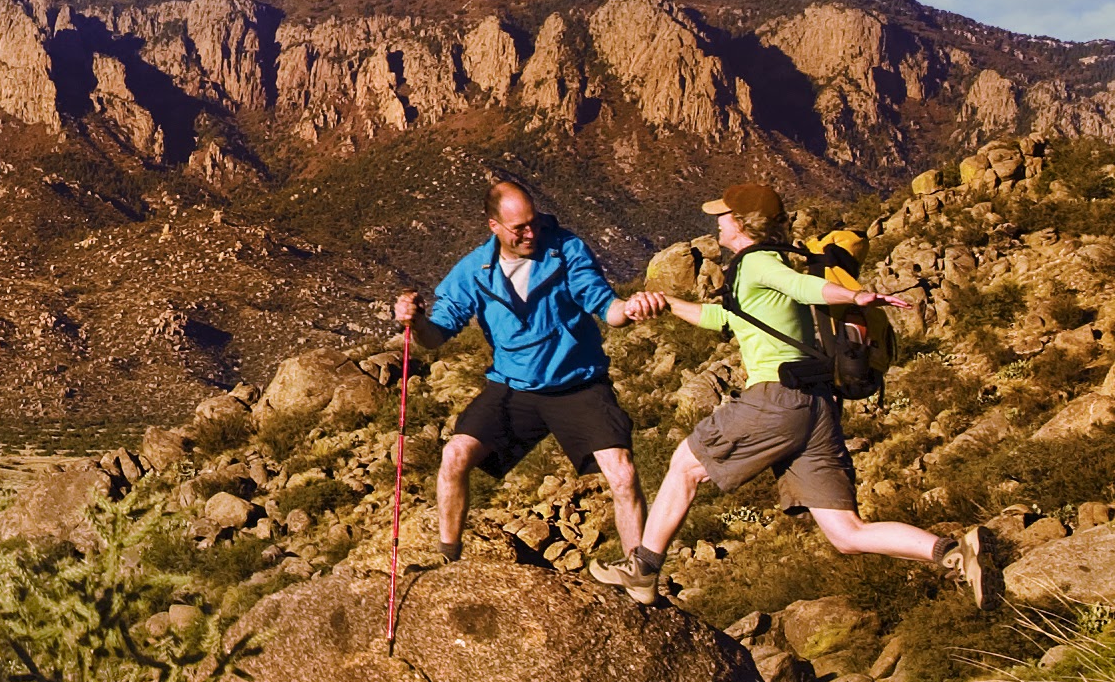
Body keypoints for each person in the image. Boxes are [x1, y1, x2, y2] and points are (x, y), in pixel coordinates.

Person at [618, 180, 1001, 604]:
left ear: (742, 223)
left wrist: (857, 295)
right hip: (816, 408)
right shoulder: (757, 268)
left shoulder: (758, 262)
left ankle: (642, 569)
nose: (717, 224)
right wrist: (667, 303)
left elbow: (803, 288)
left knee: (685, 464)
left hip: (776, 399)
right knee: (847, 533)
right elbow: (725, 318)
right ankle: (954, 552)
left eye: (723, 216)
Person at [397, 176, 665, 571]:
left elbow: (603, 304)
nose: (530, 232)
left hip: (579, 383)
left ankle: (638, 573)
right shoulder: (475, 270)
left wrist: (630, 309)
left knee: (622, 474)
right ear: (494, 227)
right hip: (513, 386)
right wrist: (416, 322)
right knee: (454, 455)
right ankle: (447, 561)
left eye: (533, 222)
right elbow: (436, 336)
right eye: (519, 227)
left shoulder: (566, 249)